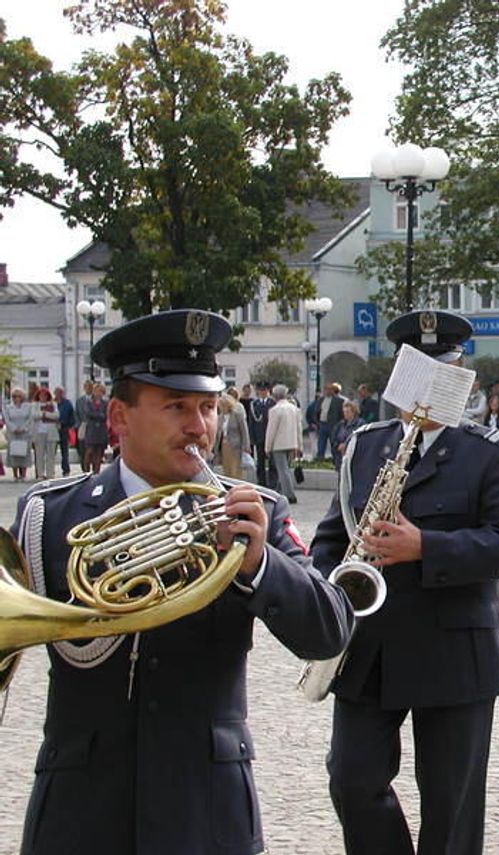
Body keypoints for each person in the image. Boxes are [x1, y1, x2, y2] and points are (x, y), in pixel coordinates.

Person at [11, 309, 353, 855]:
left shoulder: (254, 511)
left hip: (207, 807)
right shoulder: (48, 514)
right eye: (176, 407)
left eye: (208, 407)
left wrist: (258, 563)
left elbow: (329, 632)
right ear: (119, 418)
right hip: (80, 808)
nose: (199, 427)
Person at [312, 309, 499, 855]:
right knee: (352, 780)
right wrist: (327, 584)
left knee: (450, 808)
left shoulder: (495, 453)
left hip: (454, 648)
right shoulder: (366, 444)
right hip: (371, 648)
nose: (427, 385)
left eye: (443, 371)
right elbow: (330, 535)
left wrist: (424, 547)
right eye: (415, 370)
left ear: (465, 379)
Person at [265, 383, 302, 503]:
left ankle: (290, 494)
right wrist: (299, 445)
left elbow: (271, 430)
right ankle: (279, 491)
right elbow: (299, 428)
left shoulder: (274, 410)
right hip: (292, 442)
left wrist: (267, 447)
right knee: (286, 469)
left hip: (278, 444)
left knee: (282, 470)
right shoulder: (294, 409)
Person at [213, 391, 251, 479]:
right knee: (227, 470)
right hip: (224, 446)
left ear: (227, 405)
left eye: (222, 405)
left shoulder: (237, 415)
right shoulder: (220, 417)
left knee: (236, 470)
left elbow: (244, 431)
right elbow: (218, 434)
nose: (221, 408)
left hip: (236, 446)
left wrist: (246, 446)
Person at [249, 381, 275, 487]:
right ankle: (262, 482)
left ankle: (272, 482)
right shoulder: (254, 404)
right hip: (259, 436)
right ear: (258, 392)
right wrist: (252, 438)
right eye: (261, 390)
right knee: (260, 462)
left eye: (265, 390)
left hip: (271, 437)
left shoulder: (272, 403)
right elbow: (252, 422)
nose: (263, 392)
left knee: (272, 462)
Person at [3, 387, 33, 480]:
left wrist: (23, 428)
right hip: (13, 433)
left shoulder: (28, 407)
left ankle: (23, 474)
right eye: (14, 396)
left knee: (24, 453)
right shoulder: (8, 407)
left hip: (24, 433)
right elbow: (7, 419)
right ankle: (15, 474)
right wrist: (14, 428)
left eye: (18, 396)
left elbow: (30, 419)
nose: (16, 398)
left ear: (22, 397)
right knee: (14, 453)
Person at [81, 383, 110, 474]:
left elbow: (106, 415)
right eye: (97, 391)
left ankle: (96, 472)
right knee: (89, 451)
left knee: (99, 452)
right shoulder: (88, 402)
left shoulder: (105, 403)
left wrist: (98, 415)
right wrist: (99, 415)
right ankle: (86, 471)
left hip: (101, 430)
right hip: (91, 430)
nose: (98, 393)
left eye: (101, 391)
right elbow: (88, 413)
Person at [318, 382, 347, 461]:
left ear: (333, 390)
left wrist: (340, 424)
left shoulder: (339, 401)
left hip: (333, 425)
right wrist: (317, 422)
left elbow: (341, 414)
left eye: (329, 389)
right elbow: (317, 411)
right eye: (326, 389)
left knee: (333, 443)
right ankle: (320, 459)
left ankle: (335, 459)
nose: (327, 391)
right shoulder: (321, 400)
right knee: (321, 443)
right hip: (322, 424)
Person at [332, 399, 365, 469]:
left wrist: (347, 446)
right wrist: (338, 446)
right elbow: (334, 438)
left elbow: (361, 439)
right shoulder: (340, 424)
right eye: (344, 412)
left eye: (348, 412)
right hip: (341, 458)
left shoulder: (360, 424)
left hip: (354, 458)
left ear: (354, 412)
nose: (345, 414)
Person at [54, 387, 76, 477]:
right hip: (53, 428)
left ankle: (66, 469)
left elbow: (72, 416)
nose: (59, 394)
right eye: (57, 392)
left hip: (64, 428)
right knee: (52, 451)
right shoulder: (52, 403)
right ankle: (51, 470)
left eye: (60, 392)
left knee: (65, 451)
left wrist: (69, 426)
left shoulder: (67, 403)